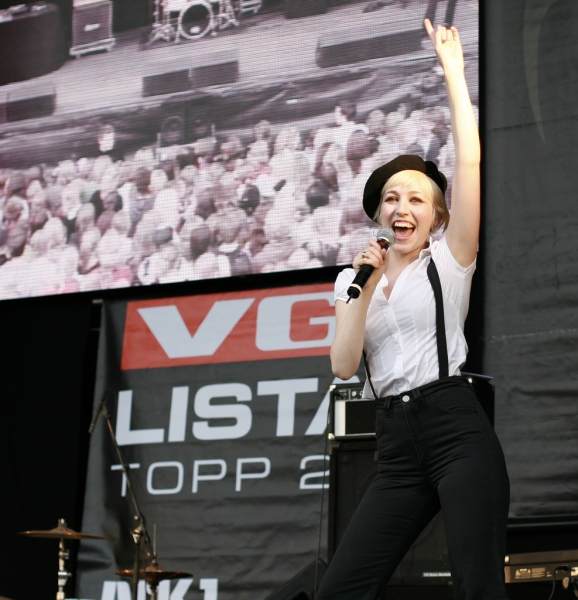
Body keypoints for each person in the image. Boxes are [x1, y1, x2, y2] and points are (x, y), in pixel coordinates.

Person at [317, 20, 509, 600]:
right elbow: (344, 365)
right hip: (396, 446)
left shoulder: (449, 260)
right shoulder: (353, 278)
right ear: (379, 212)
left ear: (437, 216)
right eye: (392, 198)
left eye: (417, 199)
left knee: (476, 584)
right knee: (340, 589)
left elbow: (469, 163)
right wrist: (364, 286)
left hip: (455, 428)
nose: (403, 207)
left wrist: (453, 72)